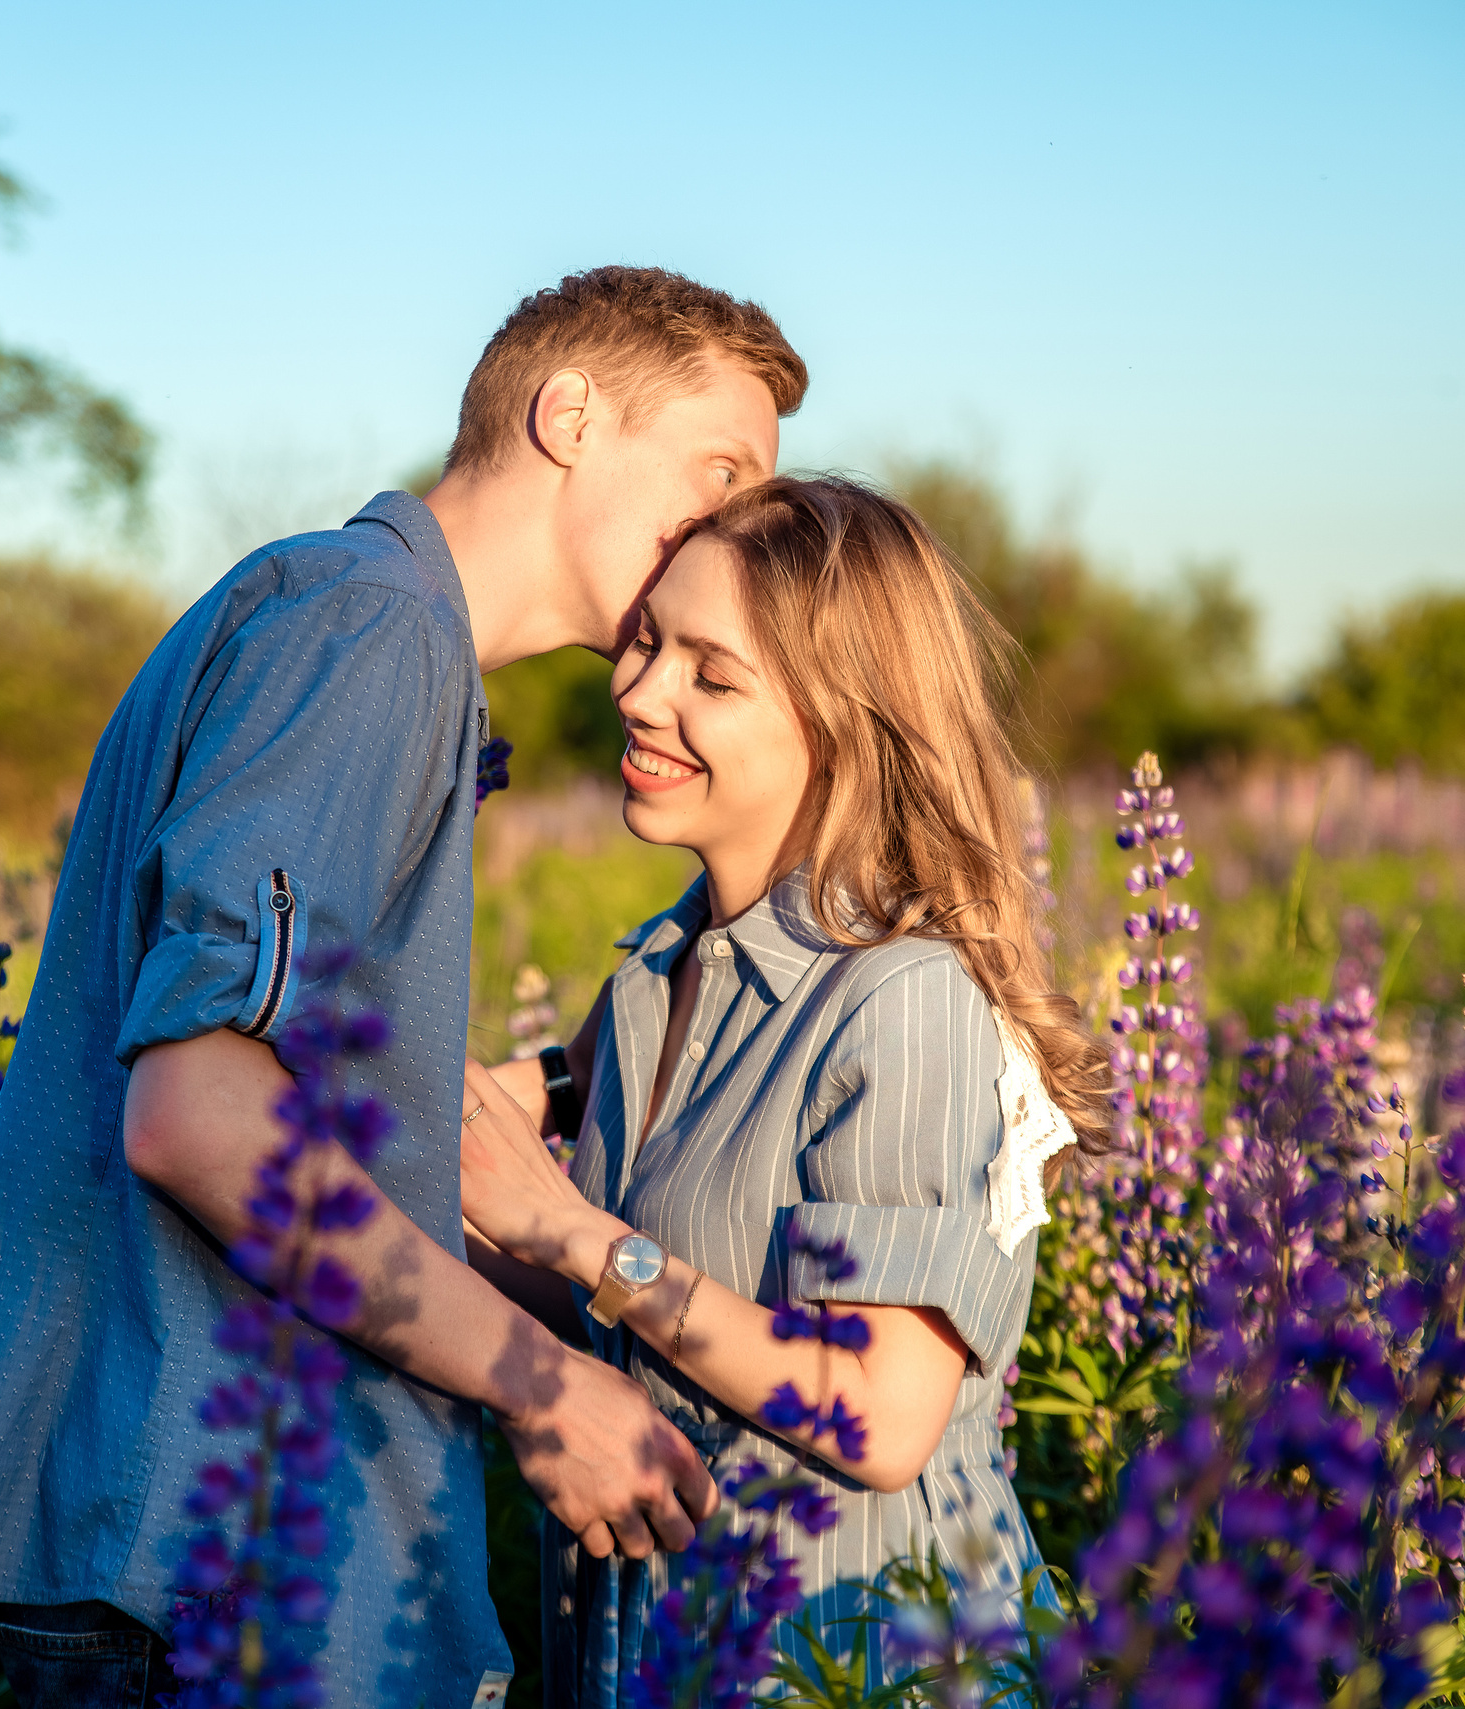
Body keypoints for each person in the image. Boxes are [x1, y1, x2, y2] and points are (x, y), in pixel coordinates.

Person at [0, 267, 809, 1709]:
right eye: (716, 472)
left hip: (172, 1546)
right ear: (569, 415)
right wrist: (540, 1386)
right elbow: (201, 1114)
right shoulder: (369, 637)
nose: (732, 527)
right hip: (194, 1556)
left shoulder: (350, 621)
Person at [462, 476, 1112, 1704]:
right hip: (658, 1648)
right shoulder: (662, 969)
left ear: (843, 726)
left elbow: (878, 1415)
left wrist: (561, 1224)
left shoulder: (900, 997)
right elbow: (612, 1314)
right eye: (649, 640)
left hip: (860, 1655)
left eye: (712, 674)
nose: (638, 690)